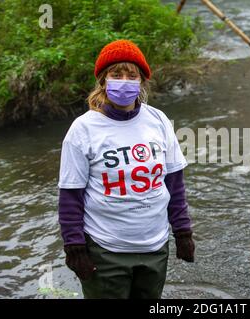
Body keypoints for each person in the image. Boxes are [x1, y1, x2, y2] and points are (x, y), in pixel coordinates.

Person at [57, 39, 195, 299]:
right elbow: (70, 196)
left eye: (131, 75)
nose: (124, 80)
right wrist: (74, 247)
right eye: (116, 74)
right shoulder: (83, 129)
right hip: (106, 249)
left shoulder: (158, 121)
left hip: (155, 247)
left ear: (142, 81)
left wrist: (183, 232)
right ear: (103, 81)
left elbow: (174, 185)